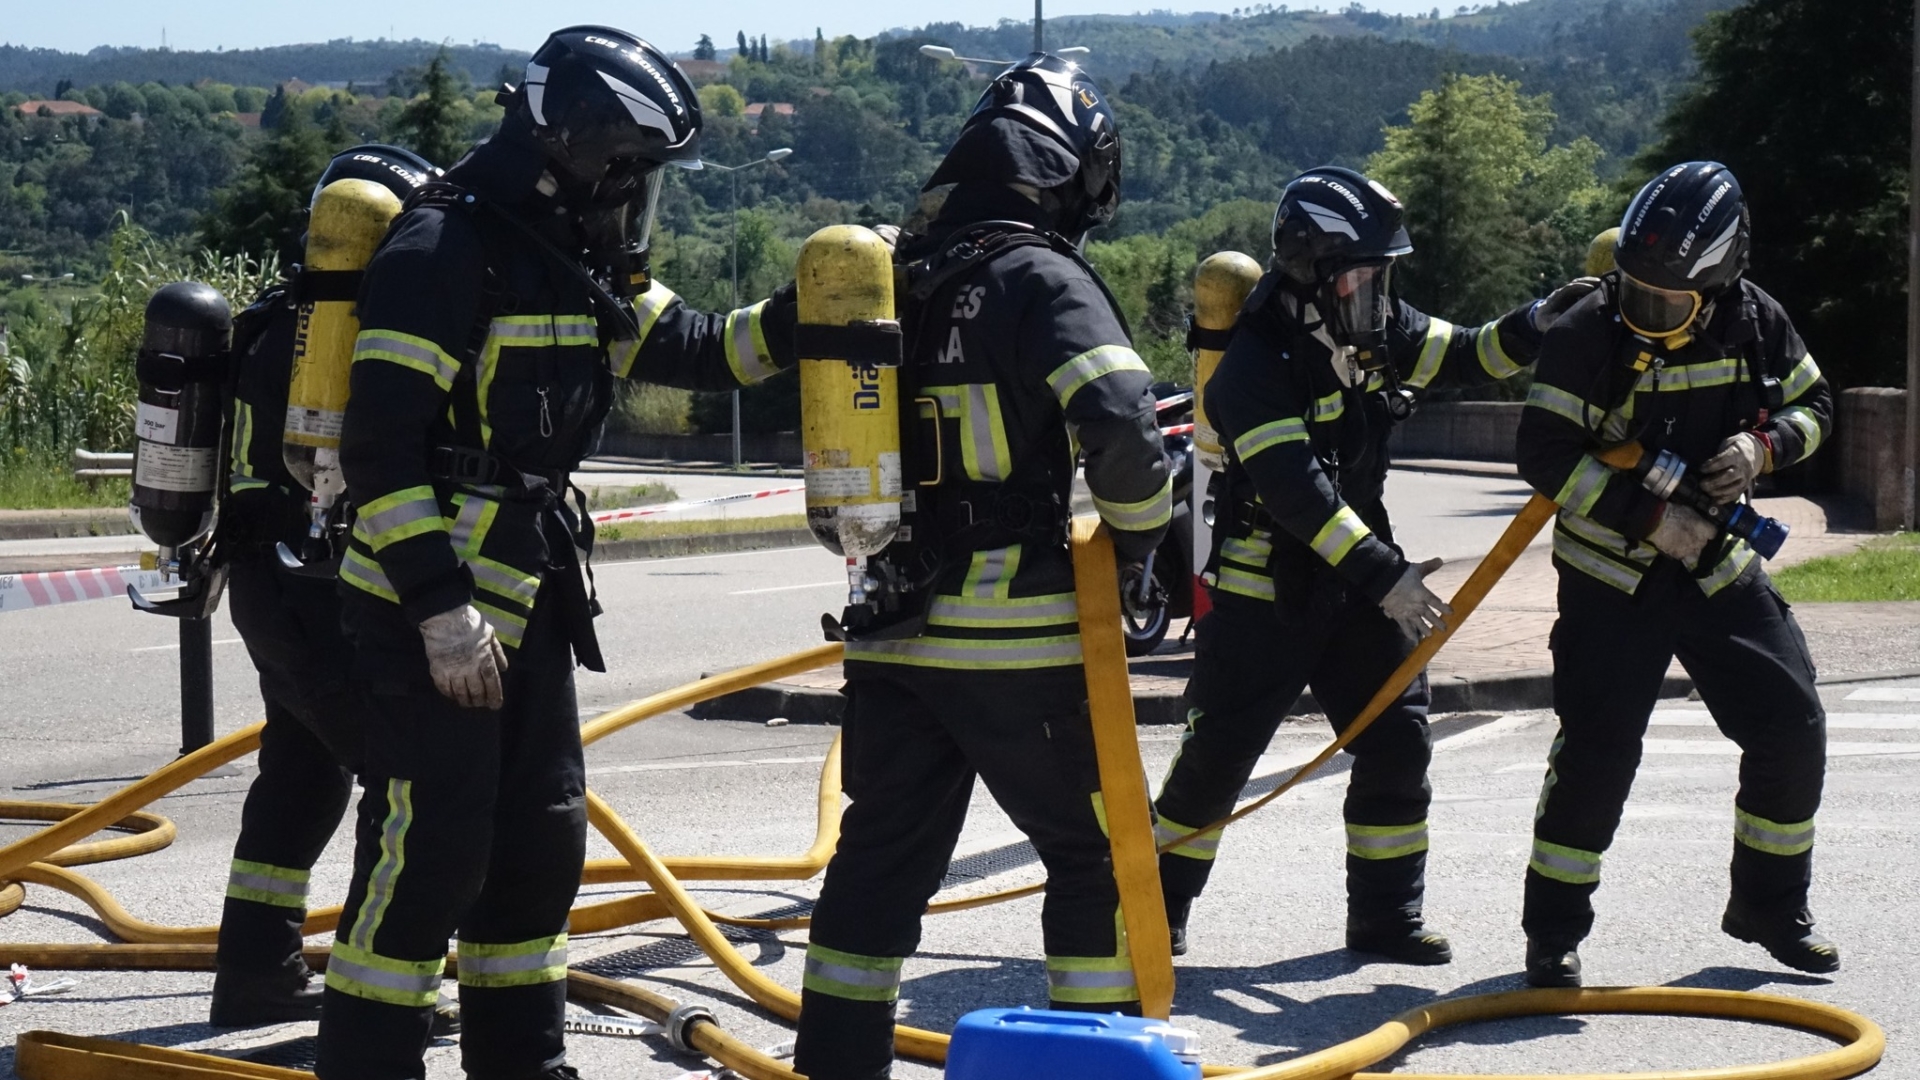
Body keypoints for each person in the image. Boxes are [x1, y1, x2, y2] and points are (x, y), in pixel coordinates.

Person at [315, 27, 798, 1080]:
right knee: (430, 853)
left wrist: (813, 314)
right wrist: (441, 613)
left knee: (538, 850)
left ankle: (522, 1065)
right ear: (581, 147)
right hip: (426, 615)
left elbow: (695, 349)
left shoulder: (572, 256)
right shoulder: (441, 251)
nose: (637, 195)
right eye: (631, 169)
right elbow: (380, 450)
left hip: (524, 603)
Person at [790, 53, 1171, 1080]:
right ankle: (1088, 1067)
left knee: (876, 867)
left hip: (889, 627)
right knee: (1092, 858)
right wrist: (1142, 545)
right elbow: (1129, 431)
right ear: (1067, 175)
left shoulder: (895, 281)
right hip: (1017, 638)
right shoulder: (1039, 277)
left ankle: (834, 1068)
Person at [1151, 166, 1578, 963]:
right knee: (1215, 766)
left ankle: (1385, 921)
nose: (1379, 290)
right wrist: (1390, 578)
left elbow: (1463, 352)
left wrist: (1535, 322)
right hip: (1265, 594)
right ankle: (1155, 910)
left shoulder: (1368, 327)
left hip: (1356, 589)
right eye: (1364, 274)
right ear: (1313, 273)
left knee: (1397, 743)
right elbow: (1298, 496)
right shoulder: (1253, 365)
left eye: (1384, 275)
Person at [1514, 161, 1835, 987]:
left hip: (1720, 569)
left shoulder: (1758, 320)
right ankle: (1553, 934)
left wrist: (1762, 446)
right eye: (1635, 290)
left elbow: (1816, 407)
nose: (1646, 315)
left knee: (1791, 726)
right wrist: (1654, 519)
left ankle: (1768, 904)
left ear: (1723, 279)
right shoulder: (1588, 328)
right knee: (1597, 753)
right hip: (1611, 581)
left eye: (1670, 304)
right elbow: (1543, 453)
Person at [210, 144, 440, 1028]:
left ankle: (256, 970)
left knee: (300, 773)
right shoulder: (363, 332)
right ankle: (373, 987)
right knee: (399, 782)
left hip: (266, 584)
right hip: (326, 590)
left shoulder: (272, 322)